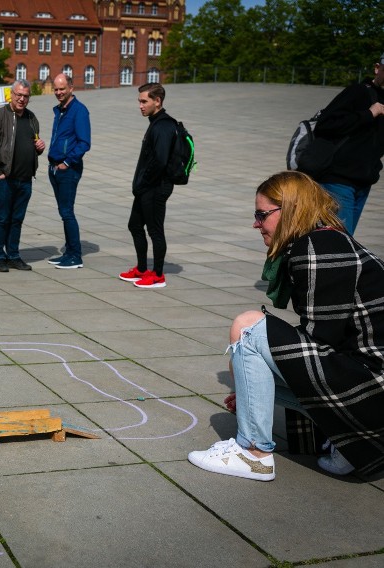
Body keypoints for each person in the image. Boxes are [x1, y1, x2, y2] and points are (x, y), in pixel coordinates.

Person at [188, 171, 384, 481]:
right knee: (251, 362)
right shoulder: (329, 239)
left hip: (371, 391)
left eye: (261, 214)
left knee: (248, 326)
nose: (256, 223)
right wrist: (249, 386)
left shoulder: (317, 248)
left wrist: (247, 383)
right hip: (370, 385)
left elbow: (322, 343)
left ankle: (254, 455)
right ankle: (346, 448)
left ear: (290, 209)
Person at [309, 52, 384, 235]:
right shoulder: (358, 92)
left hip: (363, 183)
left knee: (344, 240)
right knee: (339, 241)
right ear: (377, 68)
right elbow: (325, 124)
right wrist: (368, 114)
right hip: (338, 179)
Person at [0, 79, 45, 273]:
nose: (22, 99)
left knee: (17, 219)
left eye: (26, 96)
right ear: (12, 94)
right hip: (4, 179)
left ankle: (14, 256)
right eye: (19, 95)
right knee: (2, 218)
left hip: (25, 179)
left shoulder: (32, 118)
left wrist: (39, 149)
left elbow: (32, 145)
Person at [119, 83, 176, 289]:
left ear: (157, 101)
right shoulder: (155, 122)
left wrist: (143, 183)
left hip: (155, 188)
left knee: (155, 231)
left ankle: (158, 275)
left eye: (144, 101)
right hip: (146, 188)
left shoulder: (163, 126)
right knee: (134, 225)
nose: (140, 106)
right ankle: (142, 269)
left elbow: (160, 161)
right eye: (139, 101)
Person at [46, 74, 91, 270]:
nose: (58, 92)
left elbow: (84, 143)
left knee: (67, 212)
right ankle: (69, 252)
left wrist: (66, 162)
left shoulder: (79, 111)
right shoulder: (60, 110)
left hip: (68, 169)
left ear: (71, 88)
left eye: (62, 88)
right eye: (56, 89)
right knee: (63, 212)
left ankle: (75, 255)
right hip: (55, 168)